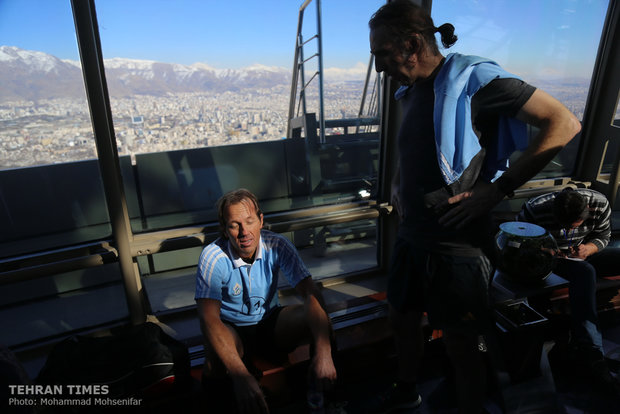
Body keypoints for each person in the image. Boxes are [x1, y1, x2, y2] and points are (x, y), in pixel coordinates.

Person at [368, 1, 581, 412]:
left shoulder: (472, 80)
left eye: (382, 55)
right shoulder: (409, 90)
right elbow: (416, 147)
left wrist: (497, 190)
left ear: (413, 44)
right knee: (402, 318)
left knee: (463, 344)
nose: (379, 68)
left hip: (458, 244)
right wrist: (397, 180)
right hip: (414, 234)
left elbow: (564, 123)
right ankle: (407, 391)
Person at [195, 188, 337, 414]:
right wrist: (240, 376)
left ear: (261, 221)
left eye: (249, 221)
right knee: (213, 352)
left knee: (318, 318)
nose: (244, 232)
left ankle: (326, 400)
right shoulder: (213, 256)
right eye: (234, 225)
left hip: (269, 324)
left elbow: (311, 294)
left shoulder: (277, 244)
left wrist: (324, 353)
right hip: (233, 333)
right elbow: (208, 319)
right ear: (224, 229)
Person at [517, 187, 620, 392]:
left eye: (574, 226)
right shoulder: (534, 209)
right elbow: (520, 244)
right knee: (580, 273)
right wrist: (546, 253)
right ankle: (582, 350)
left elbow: (603, 235)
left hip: (579, 256)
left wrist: (589, 248)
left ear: (588, 210)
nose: (569, 231)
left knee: (589, 268)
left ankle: (588, 348)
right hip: (545, 260)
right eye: (564, 226)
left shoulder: (599, 204)